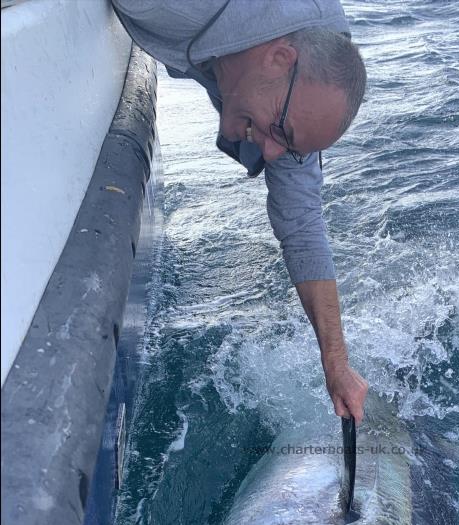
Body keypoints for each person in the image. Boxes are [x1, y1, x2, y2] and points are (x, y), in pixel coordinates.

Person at [112, 0, 369, 422]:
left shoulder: (297, 97)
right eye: (279, 133)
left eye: (288, 147)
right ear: (279, 57)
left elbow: (302, 222)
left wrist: (336, 363)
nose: (269, 152)